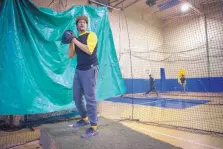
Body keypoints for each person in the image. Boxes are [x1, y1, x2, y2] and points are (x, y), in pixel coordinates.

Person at [68, 15, 99, 139]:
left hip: (90, 69)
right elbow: (70, 55)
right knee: (76, 97)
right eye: (79, 22)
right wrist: (71, 42)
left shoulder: (91, 35)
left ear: (86, 25)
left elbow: (89, 50)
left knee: (90, 99)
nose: (81, 24)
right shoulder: (76, 39)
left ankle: (94, 127)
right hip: (79, 70)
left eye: (84, 22)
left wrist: (75, 41)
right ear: (76, 26)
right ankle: (85, 118)